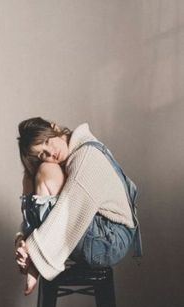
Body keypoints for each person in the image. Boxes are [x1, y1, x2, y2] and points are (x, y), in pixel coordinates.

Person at [15, 117, 141, 295]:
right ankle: (30, 250)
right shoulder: (72, 152)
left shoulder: (86, 155)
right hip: (95, 229)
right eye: (42, 153)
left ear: (54, 128)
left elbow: (69, 209)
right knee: (30, 173)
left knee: (46, 170)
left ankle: (34, 259)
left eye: (47, 141)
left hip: (110, 239)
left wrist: (35, 259)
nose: (51, 153)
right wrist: (22, 240)